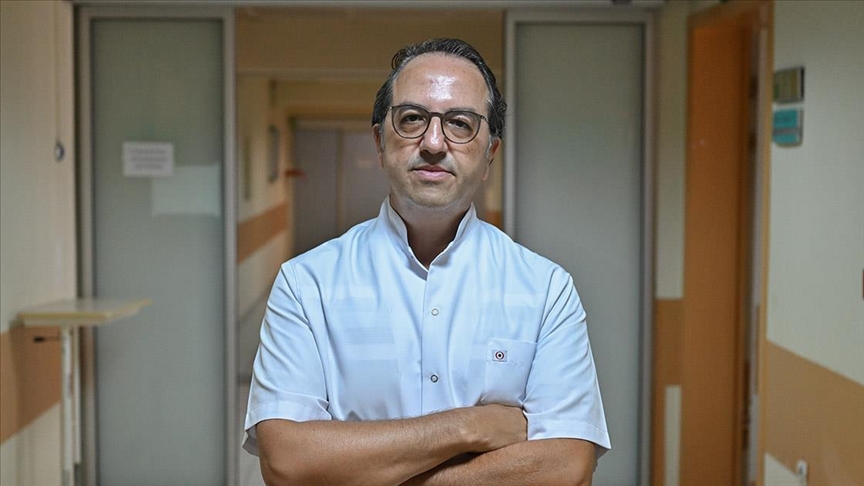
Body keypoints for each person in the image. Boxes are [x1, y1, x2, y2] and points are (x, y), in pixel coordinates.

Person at [243, 38, 610, 486]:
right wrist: (469, 426)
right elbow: (286, 463)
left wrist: (365, 471)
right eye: (412, 118)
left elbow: (567, 467)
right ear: (380, 142)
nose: (434, 143)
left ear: (490, 154)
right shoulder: (307, 284)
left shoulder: (545, 289)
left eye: (460, 123)